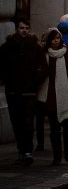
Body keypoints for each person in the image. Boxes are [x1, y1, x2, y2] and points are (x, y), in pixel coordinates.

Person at [0, 19, 48, 166]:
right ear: (16, 29)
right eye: (22, 28)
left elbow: (44, 68)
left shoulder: (35, 47)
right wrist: (6, 79)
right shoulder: (7, 47)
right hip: (13, 91)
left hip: (29, 91)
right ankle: (21, 150)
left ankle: (27, 151)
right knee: (17, 122)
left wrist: (35, 81)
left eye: (27, 28)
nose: (24, 30)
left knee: (27, 122)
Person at [37, 30, 68, 165]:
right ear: (49, 41)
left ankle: (67, 149)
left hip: (66, 92)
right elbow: (41, 72)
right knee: (54, 128)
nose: (56, 41)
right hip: (51, 94)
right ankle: (57, 156)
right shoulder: (45, 54)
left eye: (58, 38)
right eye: (53, 39)